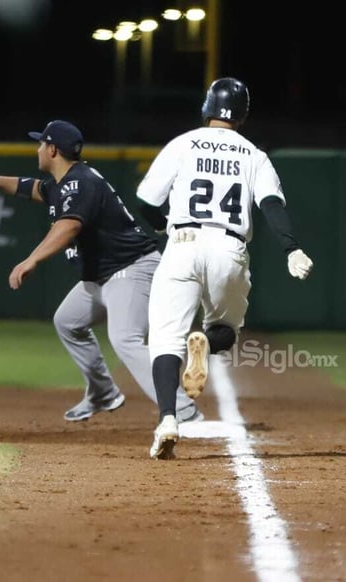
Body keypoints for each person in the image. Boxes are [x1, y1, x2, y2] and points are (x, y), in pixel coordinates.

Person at [0, 120, 203, 423]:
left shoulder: (79, 182)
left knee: (125, 338)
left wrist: (31, 260)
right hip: (103, 275)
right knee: (68, 321)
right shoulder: (64, 184)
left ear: (53, 149)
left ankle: (182, 410)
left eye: (41, 143)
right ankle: (103, 392)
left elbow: (69, 226)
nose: (38, 149)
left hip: (131, 268)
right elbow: (29, 187)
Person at [137, 77, 315, 459]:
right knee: (225, 331)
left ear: (207, 107)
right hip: (228, 249)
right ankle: (202, 343)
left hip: (182, 244)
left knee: (164, 340)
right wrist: (291, 248)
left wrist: (161, 223)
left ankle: (168, 418)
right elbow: (271, 205)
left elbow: (146, 202)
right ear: (243, 115)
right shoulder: (254, 155)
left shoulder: (182, 144)